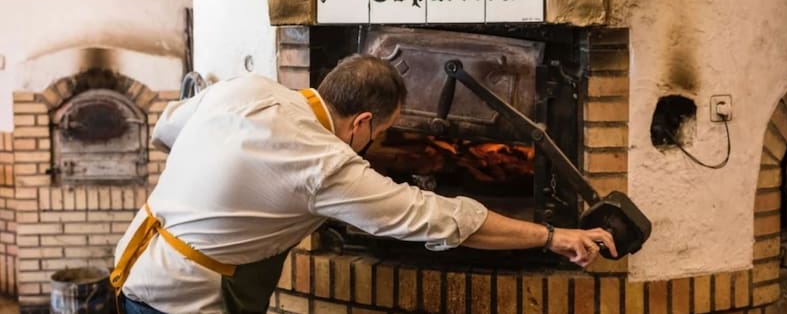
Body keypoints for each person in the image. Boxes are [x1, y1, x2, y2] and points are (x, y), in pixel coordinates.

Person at [111, 54, 616, 313]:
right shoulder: (324, 164)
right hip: (183, 299)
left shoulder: (246, 90)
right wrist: (552, 236)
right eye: (383, 133)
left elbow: (166, 128)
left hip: (135, 259)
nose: (380, 141)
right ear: (363, 123)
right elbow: (435, 218)